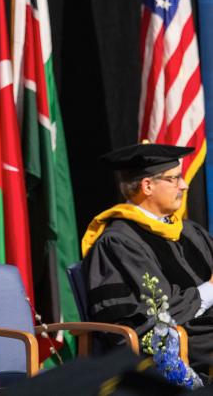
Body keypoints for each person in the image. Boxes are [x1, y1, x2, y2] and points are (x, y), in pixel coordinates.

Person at [82, 142, 213, 365]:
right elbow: (154, 316)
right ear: (147, 186)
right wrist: (210, 288)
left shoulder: (190, 231)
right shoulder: (118, 242)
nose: (184, 185)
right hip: (168, 341)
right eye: (174, 178)